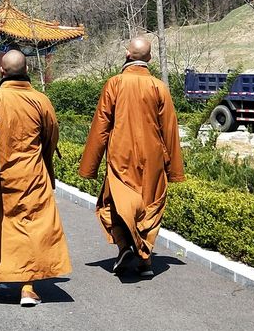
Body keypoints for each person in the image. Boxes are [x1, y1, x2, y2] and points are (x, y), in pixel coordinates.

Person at [0, 49, 71, 306]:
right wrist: (43, 163)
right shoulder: (41, 100)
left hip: (3, 177)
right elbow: (50, 137)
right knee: (33, 229)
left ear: (1, 71)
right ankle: (28, 288)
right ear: (28, 70)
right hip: (34, 176)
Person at [78, 37, 185, 278]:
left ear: (127, 55)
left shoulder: (114, 84)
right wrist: (174, 170)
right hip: (153, 158)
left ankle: (125, 247)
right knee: (149, 206)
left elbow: (101, 126)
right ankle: (145, 260)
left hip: (120, 156)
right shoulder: (159, 87)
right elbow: (169, 129)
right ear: (149, 58)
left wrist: (89, 167)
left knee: (115, 204)